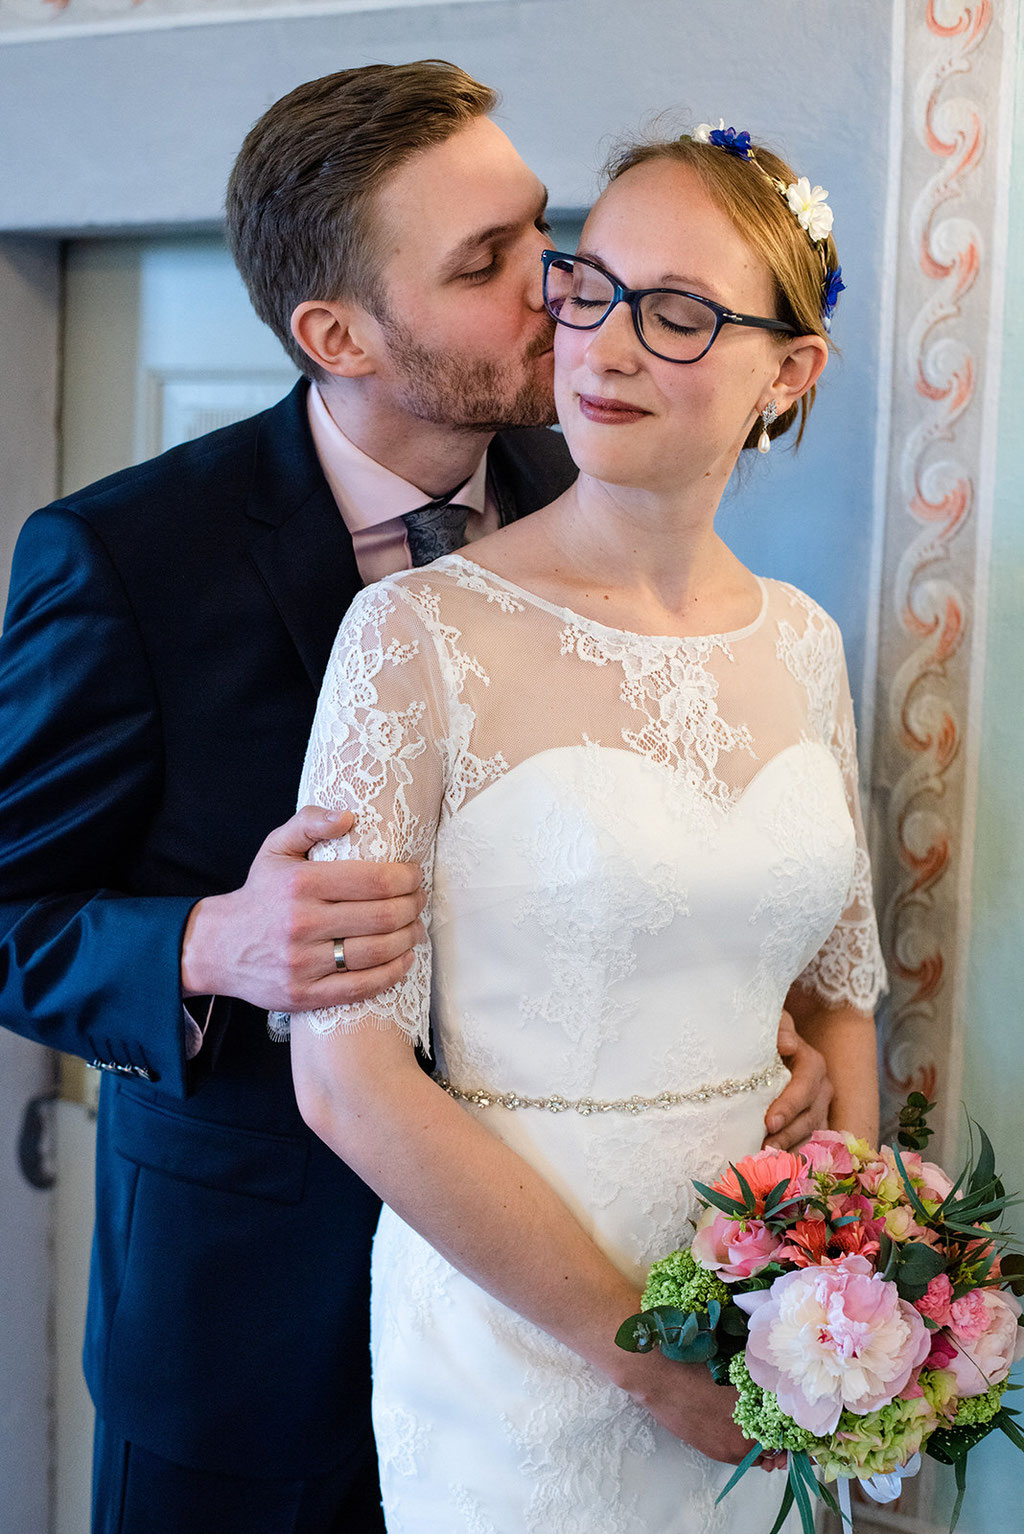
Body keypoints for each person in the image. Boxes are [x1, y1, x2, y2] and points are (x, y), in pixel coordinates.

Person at [0, 65, 830, 1533]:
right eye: (486, 266)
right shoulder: (126, 560)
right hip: (250, 1327)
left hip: (571, 1318)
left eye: (540, 235)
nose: (559, 296)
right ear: (338, 334)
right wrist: (204, 943)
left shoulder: (607, 460)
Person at [288, 121, 885, 1532]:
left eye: (679, 314)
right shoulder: (412, 637)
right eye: (591, 289)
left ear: (789, 370)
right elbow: (347, 1080)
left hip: (766, 1340)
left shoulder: (805, 642)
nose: (607, 348)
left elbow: (842, 995)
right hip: (519, 1356)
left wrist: (851, 1290)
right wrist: (640, 1356)